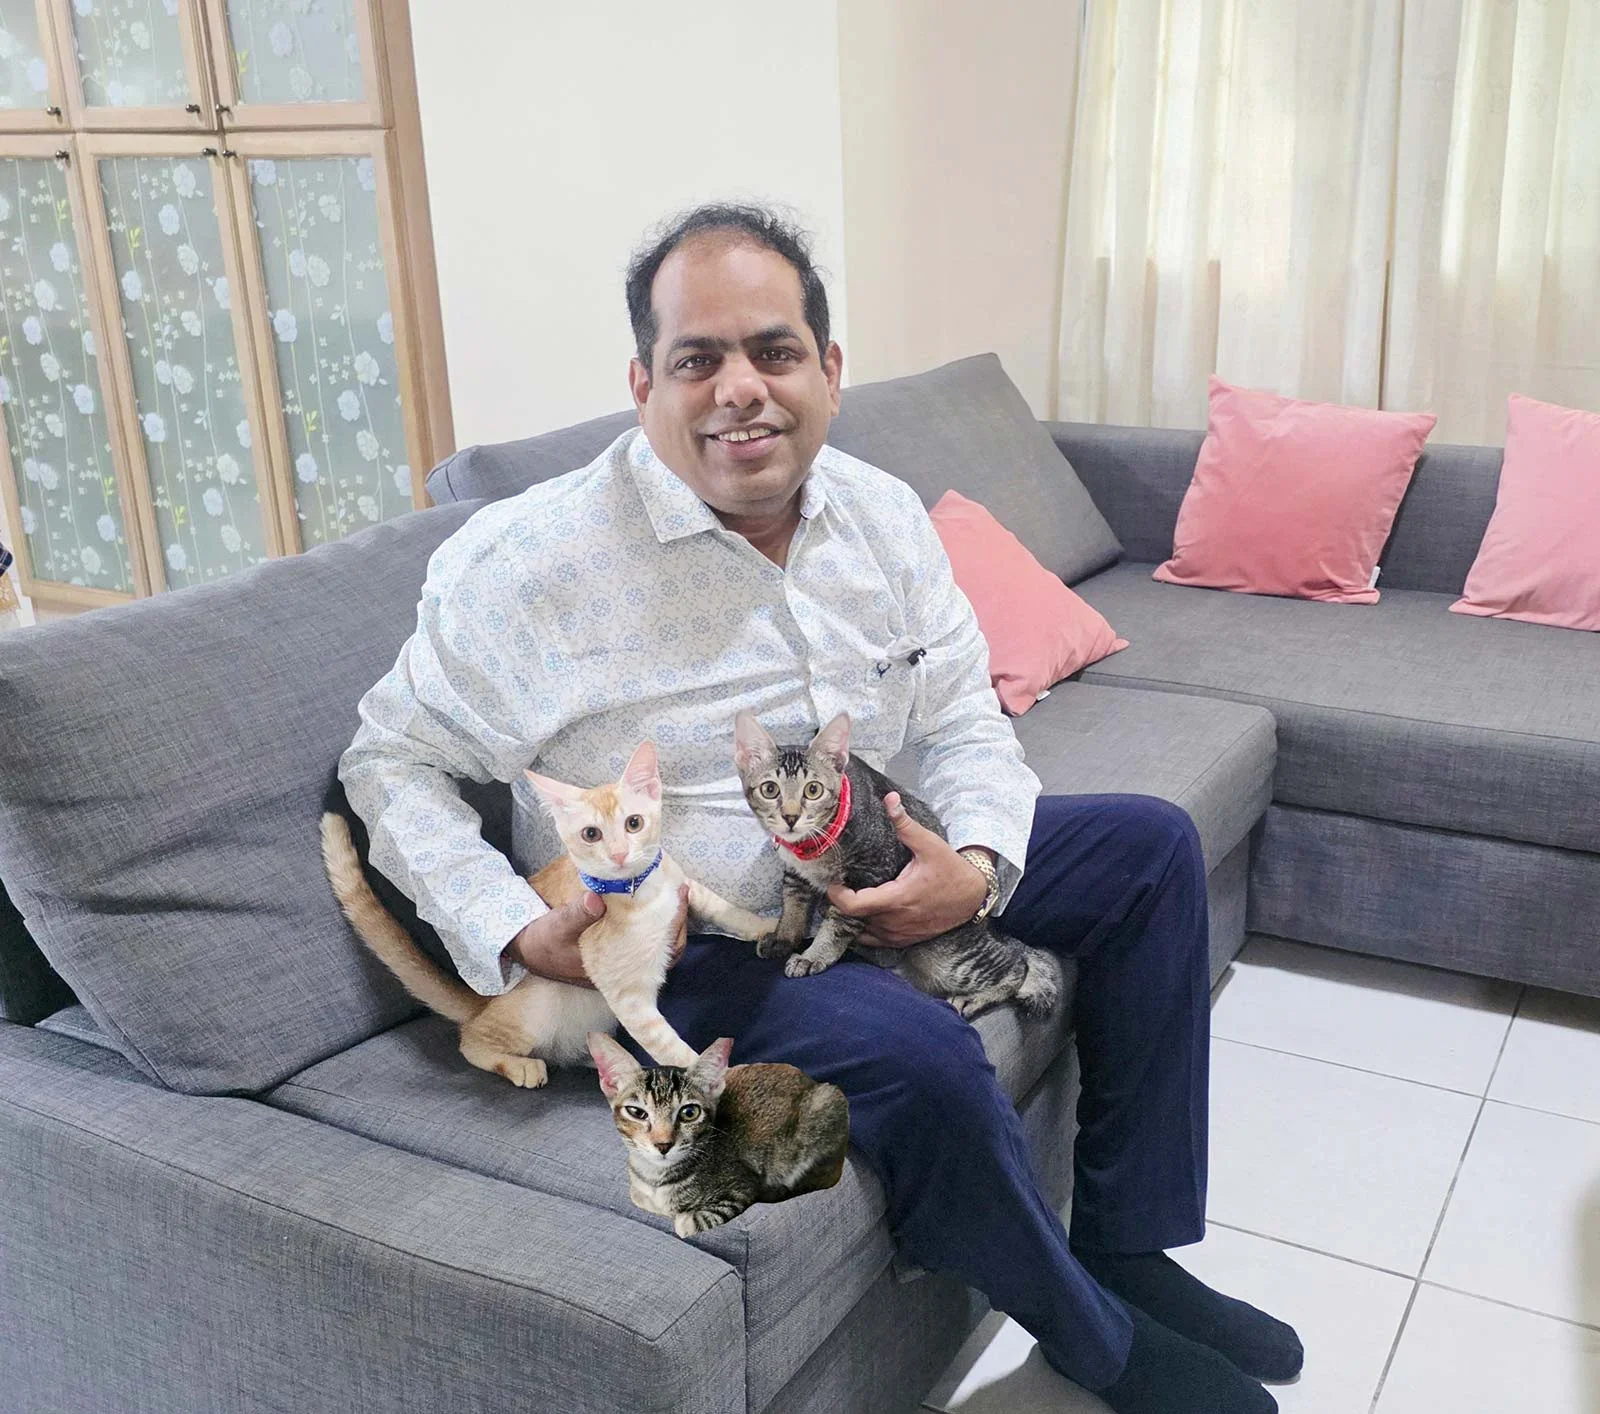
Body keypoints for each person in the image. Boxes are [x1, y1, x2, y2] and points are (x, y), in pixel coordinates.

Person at [339, 203, 1302, 1414]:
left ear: (829, 371)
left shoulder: (882, 517)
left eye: (774, 350)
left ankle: (1127, 1241)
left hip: (873, 844)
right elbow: (390, 761)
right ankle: (1093, 1339)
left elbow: (959, 722)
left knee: (1151, 850)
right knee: (924, 1054)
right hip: (699, 934)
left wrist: (979, 866)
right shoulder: (530, 562)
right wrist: (504, 925)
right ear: (644, 383)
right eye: (698, 359)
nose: (740, 389)